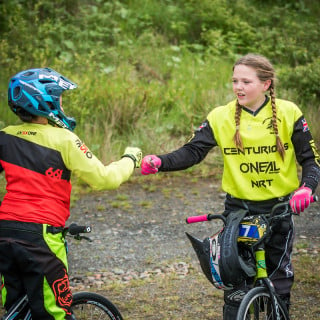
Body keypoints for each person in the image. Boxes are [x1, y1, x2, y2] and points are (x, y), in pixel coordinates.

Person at [140, 53, 320, 319]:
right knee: (235, 284)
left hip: (279, 209)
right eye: (235, 81)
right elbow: (192, 152)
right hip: (238, 211)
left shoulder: (288, 112)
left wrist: (306, 188)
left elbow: (310, 160)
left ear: (266, 84)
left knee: (279, 281)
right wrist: (160, 162)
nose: (238, 87)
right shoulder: (220, 116)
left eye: (246, 81)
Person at [0, 67, 142, 320]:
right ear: (45, 102)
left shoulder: (4, 138)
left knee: (17, 309)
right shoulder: (64, 140)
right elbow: (105, 179)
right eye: (60, 100)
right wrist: (130, 159)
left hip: (4, 231)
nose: (62, 106)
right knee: (53, 312)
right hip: (41, 236)